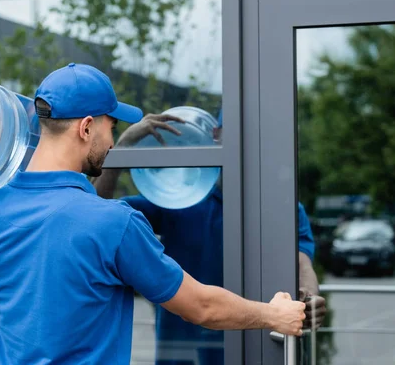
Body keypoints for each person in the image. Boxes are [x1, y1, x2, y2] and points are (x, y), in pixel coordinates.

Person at [0, 63, 306, 365]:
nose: (111, 142)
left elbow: (6, 172)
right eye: (111, 127)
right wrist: (273, 314)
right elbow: (201, 308)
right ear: (87, 127)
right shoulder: (113, 224)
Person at [93, 110, 327, 364]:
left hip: (258, 349)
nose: (245, 144)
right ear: (216, 137)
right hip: (181, 353)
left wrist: (309, 297)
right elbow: (97, 213)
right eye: (236, 135)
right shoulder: (178, 199)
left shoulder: (285, 208)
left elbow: (302, 264)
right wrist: (124, 146)